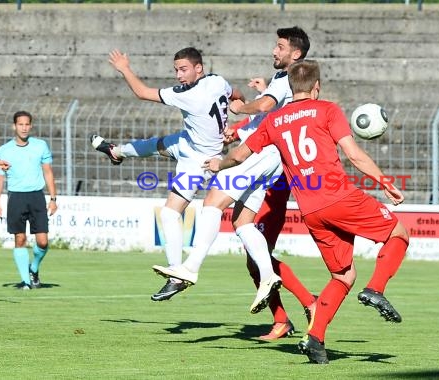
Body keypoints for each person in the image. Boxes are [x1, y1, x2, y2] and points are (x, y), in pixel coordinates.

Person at [204, 60, 410, 364]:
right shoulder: (327, 110)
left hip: (311, 210)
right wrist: (385, 182)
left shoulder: (274, 121)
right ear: (317, 86)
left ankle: (315, 339)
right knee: (398, 233)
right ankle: (376, 289)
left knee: (343, 275)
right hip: (340, 196)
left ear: (290, 88)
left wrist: (218, 164)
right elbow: (353, 155)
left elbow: (240, 154)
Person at [90, 47, 287, 308]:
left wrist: (124, 67)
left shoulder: (189, 96)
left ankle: (177, 273)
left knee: (171, 213)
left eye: (183, 70)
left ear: (198, 68)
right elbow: (234, 94)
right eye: (176, 70)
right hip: (189, 142)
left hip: (198, 161)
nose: (179, 76)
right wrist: (236, 108)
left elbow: (141, 92)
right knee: (156, 144)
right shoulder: (216, 81)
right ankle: (116, 152)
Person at [155, 27, 317, 329]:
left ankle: (189, 268)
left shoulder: (286, 79)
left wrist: (243, 107)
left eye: (279, 46)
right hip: (269, 158)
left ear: (294, 53)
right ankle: (268, 277)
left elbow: (267, 106)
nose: (274, 51)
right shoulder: (286, 80)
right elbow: (270, 113)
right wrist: (244, 125)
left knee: (212, 204)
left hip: (259, 154)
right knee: (242, 223)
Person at [0, 111, 58, 290]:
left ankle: (34, 268)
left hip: (37, 196)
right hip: (16, 197)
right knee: (20, 239)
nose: (24, 127)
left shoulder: (40, 146)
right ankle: (26, 282)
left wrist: (53, 198)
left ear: (31, 126)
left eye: (27, 124)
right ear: (14, 126)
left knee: (43, 242)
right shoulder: (5, 150)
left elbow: (48, 172)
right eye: (20, 124)